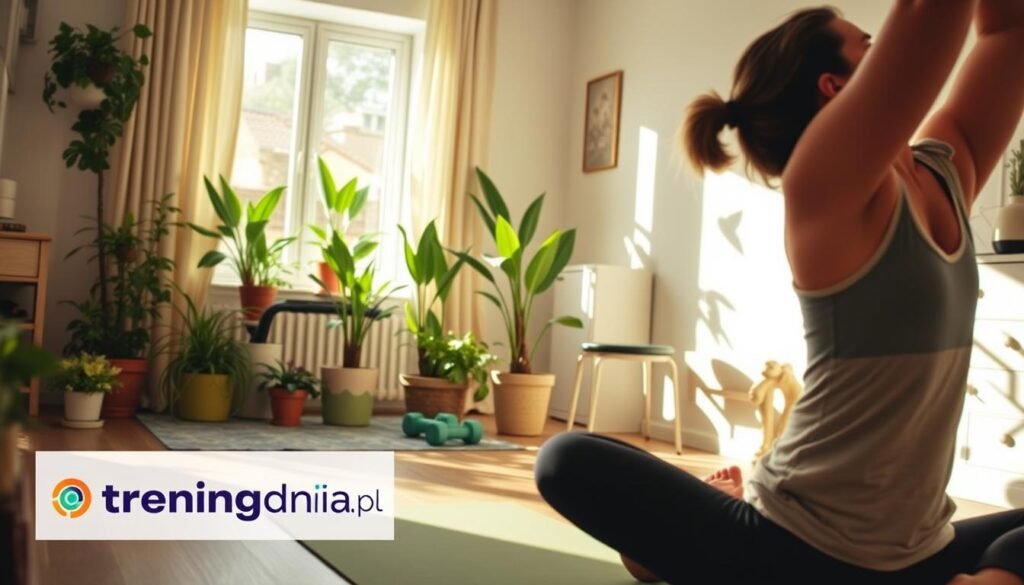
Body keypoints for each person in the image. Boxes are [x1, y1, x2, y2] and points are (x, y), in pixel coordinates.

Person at [534, 2, 1024, 584]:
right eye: (867, 42)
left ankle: (685, 536)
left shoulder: (944, 171)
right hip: (795, 543)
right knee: (565, 458)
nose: (886, 49)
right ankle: (704, 529)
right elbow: (930, 13)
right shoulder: (821, 183)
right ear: (833, 86)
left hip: (916, 549)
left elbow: (1008, 32)